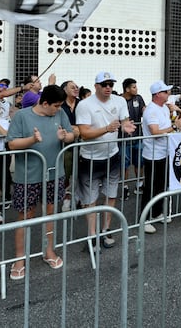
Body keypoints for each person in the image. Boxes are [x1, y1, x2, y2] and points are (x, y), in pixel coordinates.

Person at [6, 85, 74, 280]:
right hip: (27, 175)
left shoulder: (60, 113)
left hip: (55, 172)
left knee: (50, 213)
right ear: (44, 103)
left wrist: (65, 137)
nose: (59, 109)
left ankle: (49, 251)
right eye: (56, 105)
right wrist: (31, 140)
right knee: (25, 215)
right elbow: (12, 143)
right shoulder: (22, 116)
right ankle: (20, 258)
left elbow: (71, 134)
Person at [76, 72, 136, 247]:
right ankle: (92, 235)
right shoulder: (85, 105)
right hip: (90, 158)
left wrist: (126, 127)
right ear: (96, 86)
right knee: (90, 199)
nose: (108, 87)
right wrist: (107, 128)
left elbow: (124, 120)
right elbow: (85, 133)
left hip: (113, 155)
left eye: (110, 84)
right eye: (104, 84)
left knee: (111, 195)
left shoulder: (120, 101)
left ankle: (106, 230)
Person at [141, 80, 181, 234]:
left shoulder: (163, 108)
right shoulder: (151, 110)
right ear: (157, 94)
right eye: (165, 92)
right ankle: (145, 219)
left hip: (164, 152)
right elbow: (155, 132)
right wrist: (175, 126)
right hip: (153, 155)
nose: (168, 94)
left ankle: (156, 213)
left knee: (161, 185)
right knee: (150, 187)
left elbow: (173, 124)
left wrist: (177, 119)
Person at [120, 78, 145, 199]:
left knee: (139, 163)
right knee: (124, 164)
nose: (136, 89)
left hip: (138, 136)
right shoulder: (119, 100)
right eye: (134, 87)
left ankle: (139, 185)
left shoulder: (139, 98)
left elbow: (144, 110)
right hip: (123, 139)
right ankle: (124, 187)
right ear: (127, 89)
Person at [59, 80, 81, 211]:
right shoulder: (60, 106)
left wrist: (77, 129)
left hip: (82, 143)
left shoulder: (82, 104)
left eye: (77, 87)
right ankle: (66, 198)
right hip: (65, 145)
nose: (76, 89)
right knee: (65, 173)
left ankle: (78, 197)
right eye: (72, 87)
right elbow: (59, 124)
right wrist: (74, 128)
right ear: (65, 90)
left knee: (82, 172)